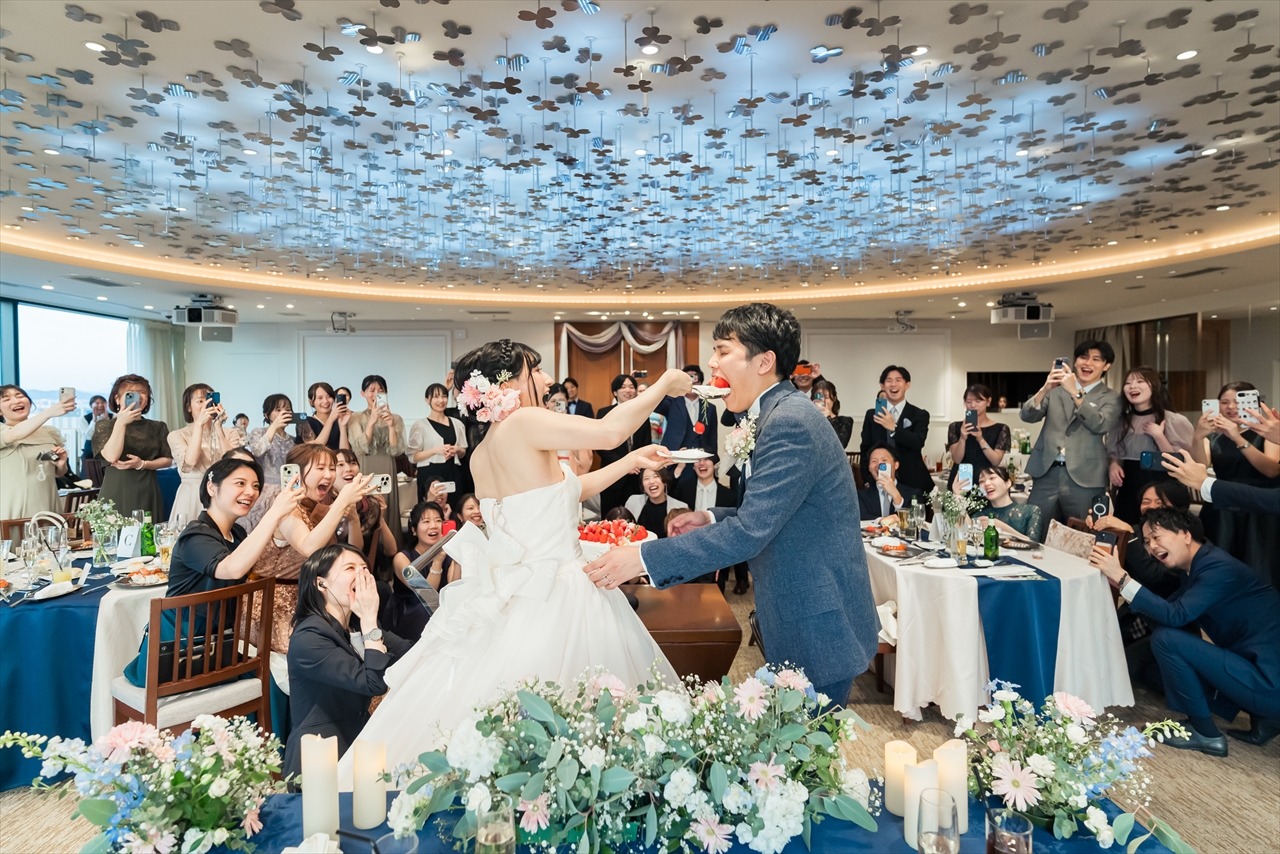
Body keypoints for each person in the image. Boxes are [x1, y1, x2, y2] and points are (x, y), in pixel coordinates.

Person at [336, 338, 679, 788]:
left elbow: (563, 492)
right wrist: (664, 385)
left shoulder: (483, 452)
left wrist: (630, 461)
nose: (546, 379)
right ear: (509, 382)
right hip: (561, 590)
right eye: (535, 371)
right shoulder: (525, 421)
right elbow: (610, 432)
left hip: (520, 592)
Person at [586, 303, 880, 710]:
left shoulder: (790, 422)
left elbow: (751, 531)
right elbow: (777, 512)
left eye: (722, 350)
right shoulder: (776, 413)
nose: (712, 362)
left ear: (764, 362)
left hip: (818, 621)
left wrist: (641, 558)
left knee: (810, 740)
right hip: (803, 611)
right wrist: (708, 516)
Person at [1089, 508, 1280, 753]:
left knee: (1166, 640)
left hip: (1269, 682)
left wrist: (1123, 579)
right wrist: (1119, 587)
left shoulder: (1217, 568)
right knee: (1148, 664)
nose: (1151, 547)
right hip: (1257, 671)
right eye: (1147, 541)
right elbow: (1166, 613)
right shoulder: (1197, 567)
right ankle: (1267, 720)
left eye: (1157, 537)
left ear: (1186, 535)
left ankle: (1205, 733)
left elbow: (1175, 615)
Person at [122, 457, 304, 687]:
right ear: (211, 487)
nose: (251, 492)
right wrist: (274, 513)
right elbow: (232, 568)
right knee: (281, 676)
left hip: (218, 652)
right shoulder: (195, 536)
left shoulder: (237, 534)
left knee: (286, 671)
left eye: (256, 486)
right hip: (176, 655)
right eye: (240, 483)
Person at [282, 544, 411, 779]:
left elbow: (409, 652)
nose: (362, 574)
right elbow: (373, 683)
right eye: (350, 568)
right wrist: (369, 620)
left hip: (358, 746)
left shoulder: (355, 626)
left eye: (364, 568)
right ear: (321, 584)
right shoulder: (309, 637)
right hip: (319, 762)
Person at [252, 444, 375, 656]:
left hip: (309, 595)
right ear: (297, 472)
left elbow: (350, 552)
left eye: (332, 468)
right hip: (274, 604)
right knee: (320, 649)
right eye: (320, 468)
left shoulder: (317, 507)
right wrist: (341, 502)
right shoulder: (286, 507)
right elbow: (308, 547)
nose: (329, 475)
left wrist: (353, 518)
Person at [1019, 340, 1123, 524]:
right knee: (1036, 529)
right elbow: (1027, 416)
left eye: (1096, 359)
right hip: (1046, 473)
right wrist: (1045, 388)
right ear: (1075, 362)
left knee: (1083, 532)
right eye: (1083, 357)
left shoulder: (1111, 397)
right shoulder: (1055, 391)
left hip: (1086, 477)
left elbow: (1101, 424)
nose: (1088, 363)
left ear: (1106, 365)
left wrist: (1075, 392)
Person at [1189, 381, 1279, 574]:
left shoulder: (1266, 432)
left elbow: (1272, 470)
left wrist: (1237, 438)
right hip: (1222, 507)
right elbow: (1199, 467)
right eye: (1224, 402)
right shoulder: (1214, 437)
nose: (1230, 407)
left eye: (1238, 401)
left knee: (1258, 564)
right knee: (1220, 564)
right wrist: (1198, 436)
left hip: (1258, 507)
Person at [1106, 367, 1194, 526]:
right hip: (1129, 488)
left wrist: (1159, 436)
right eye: (1128, 383)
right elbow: (1115, 453)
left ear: (1154, 387)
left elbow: (1178, 462)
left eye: (1140, 381)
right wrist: (1114, 464)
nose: (1132, 386)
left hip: (1162, 488)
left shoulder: (1174, 420)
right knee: (1126, 531)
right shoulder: (1121, 422)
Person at [93, 374, 172, 520]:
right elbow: (111, 456)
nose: (138, 397)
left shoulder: (158, 427)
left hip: (147, 489)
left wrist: (142, 464)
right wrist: (121, 423)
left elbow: (167, 460)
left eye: (142, 392)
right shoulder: (104, 426)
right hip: (116, 489)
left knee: (148, 531)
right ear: (117, 398)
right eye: (131, 393)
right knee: (115, 532)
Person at [167, 383, 242, 524]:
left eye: (209, 400)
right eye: (200, 401)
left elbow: (232, 463)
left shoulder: (231, 433)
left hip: (222, 493)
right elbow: (190, 462)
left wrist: (218, 427)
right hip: (191, 495)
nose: (206, 405)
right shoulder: (177, 435)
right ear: (189, 407)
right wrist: (199, 425)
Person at [675, 455, 749, 595]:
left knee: (714, 596)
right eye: (698, 459)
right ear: (693, 466)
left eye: (707, 459)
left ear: (715, 465)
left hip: (718, 550)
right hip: (689, 549)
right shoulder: (683, 490)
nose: (702, 463)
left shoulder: (730, 496)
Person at [348, 375, 406, 544]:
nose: (375, 394)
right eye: (371, 390)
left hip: (387, 465)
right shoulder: (355, 418)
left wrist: (390, 426)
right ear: (363, 393)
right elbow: (360, 448)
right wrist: (371, 422)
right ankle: (366, 548)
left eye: (380, 390)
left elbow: (396, 450)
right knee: (367, 506)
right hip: (365, 465)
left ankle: (390, 548)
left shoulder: (396, 418)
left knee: (387, 505)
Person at [0, 384, 73, 519]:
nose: (16, 401)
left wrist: (61, 465)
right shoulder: (3, 431)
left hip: (47, 503)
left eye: (20, 396)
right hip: (13, 506)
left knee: (50, 532)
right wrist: (49, 412)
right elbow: (15, 434)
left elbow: (58, 473)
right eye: (6, 399)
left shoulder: (48, 432)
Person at [387, 501, 456, 641]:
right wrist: (437, 562)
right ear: (414, 530)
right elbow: (426, 595)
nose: (433, 526)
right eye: (426, 521)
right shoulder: (402, 558)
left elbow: (454, 589)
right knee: (426, 613)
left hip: (439, 612)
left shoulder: (448, 556)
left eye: (438, 520)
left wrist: (459, 555)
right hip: (410, 614)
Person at [859, 365, 933, 493]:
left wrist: (893, 428)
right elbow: (865, 449)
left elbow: (917, 442)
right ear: (882, 386)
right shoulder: (872, 415)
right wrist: (867, 480)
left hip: (912, 482)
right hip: (879, 480)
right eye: (889, 380)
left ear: (907, 385)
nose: (893, 384)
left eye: (898, 380)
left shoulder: (919, 414)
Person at [1162, 450, 1280, 518]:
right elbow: (1202, 463)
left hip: (1256, 506)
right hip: (1225, 503)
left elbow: (1275, 499)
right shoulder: (1213, 436)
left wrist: (1204, 483)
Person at [331, 449, 397, 568]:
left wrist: (380, 518)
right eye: (340, 464)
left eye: (353, 463)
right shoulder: (322, 502)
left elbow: (355, 551)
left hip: (357, 566)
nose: (348, 468)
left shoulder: (369, 505)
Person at [596, 374, 652, 515]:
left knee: (635, 517)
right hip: (612, 476)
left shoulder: (643, 415)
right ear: (615, 392)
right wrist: (625, 465)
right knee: (609, 517)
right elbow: (600, 445)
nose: (628, 390)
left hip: (635, 477)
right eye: (623, 387)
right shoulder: (604, 413)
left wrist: (636, 463)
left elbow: (646, 444)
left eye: (631, 387)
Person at [655, 365, 719, 487]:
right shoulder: (672, 403)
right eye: (687, 380)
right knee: (677, 491)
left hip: (701, 460)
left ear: (700, 382)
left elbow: (712, 437)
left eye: (695, 379)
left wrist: (713, 460)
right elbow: (656, 405)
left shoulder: (710, 408)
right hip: (677, 459)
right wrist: (670, 387)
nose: (691, 384)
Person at [406, 383, 468, 506]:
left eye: (444, 396)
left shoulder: (457, 424)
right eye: (436, 397)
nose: (441, 400)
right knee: (430, 508)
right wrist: (434, 450)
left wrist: (456, 450)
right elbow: (413, 457)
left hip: (453, 472)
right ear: (427, 400)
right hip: (429, 473)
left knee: (454, 507)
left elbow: (463, 452)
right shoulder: (420, 426)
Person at [946, 384, 1010, 490]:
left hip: (986, 481)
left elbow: (996, 461)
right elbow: (957, 459)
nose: (973, 405)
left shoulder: (1001, 429)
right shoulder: (955, 427)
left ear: (988, 401)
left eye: (978, 401)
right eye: (968, 402)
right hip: (961, 480)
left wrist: (981, 439)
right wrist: (962, 438)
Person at [971, 466, 1045, 542]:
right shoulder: (980, 516)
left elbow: (1034, 543)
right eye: (981, 481)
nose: (986, 483)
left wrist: (1002, 527)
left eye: (992, 478)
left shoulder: (1031, 511)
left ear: (1008, 483)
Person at [858, 445, 924, 523]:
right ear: (869, 467)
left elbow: (916, 520)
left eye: (884, 460)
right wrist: (881, 520)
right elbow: (860, 516)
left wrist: (896, 496)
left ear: (896, 465)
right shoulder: (861, 496)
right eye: (874, 461)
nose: (879, 465)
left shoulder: (913, 494)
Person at [246, 394, 299, 488]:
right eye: (278, 410)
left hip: (289, 485)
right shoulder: (259, 432)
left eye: (287, 410)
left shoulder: (293, 440)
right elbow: (257, 451)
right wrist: (274, 426)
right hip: (265, 486)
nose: (283, 413)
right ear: (266, 414)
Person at [544, 384, 593, 475]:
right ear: (547, 403)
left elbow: (584, 461)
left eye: (561, 401)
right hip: (548, 475)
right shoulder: (541, 426)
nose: (557, 405)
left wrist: (567, 426)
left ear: (566, 402)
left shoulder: (575, 426)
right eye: (553, 401)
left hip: (571, 474)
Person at [624, 468, 689, 538]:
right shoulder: (633, 502)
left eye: (656, 476)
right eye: (646, 478)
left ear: (665, 481)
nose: (651, 481)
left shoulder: (681, 507)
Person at [298, 382, 350, 451]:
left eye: (329, 397)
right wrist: (331, 419)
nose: (325, 401)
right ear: (311, 402)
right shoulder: (304, 422)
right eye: (320, 398)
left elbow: (345, 452)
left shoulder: (339, 420)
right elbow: (315, 449)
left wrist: (342, 426)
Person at [812, 379, 853, 449]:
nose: (822, 401)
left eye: (826, 397)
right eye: (819, 397)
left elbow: (840, 444)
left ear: (834, 398)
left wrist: (828, 418)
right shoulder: (809, 421)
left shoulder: (845, 421)